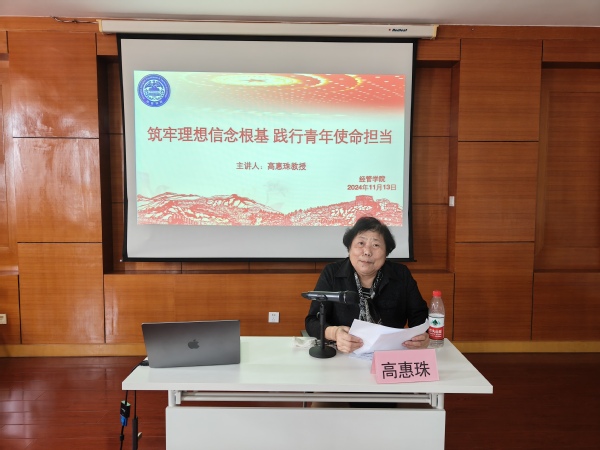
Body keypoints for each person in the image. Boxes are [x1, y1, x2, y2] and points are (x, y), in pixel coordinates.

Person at [305, 216, 430, 353]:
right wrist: (334, 333)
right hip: (343, 354)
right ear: (349, 248)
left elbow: (419, 315)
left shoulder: (401, 274)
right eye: (361, 243)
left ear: (386, 252)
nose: (367, 251)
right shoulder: (332, 273)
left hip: (389, 354)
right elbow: (312, 321)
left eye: (376, 245)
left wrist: (422, 336)